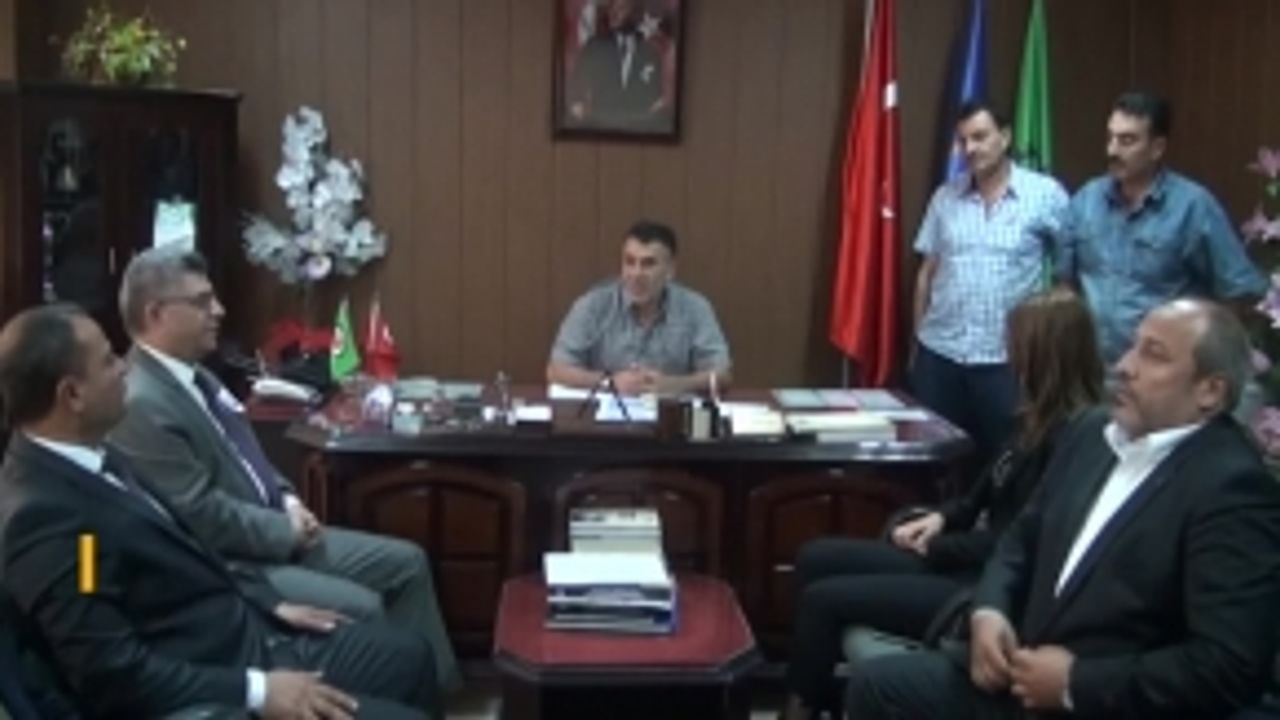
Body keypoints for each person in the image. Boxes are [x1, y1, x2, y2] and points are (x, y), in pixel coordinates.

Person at [848, 297, 1280, 720]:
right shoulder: (1092, 432)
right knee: (879, 686)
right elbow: (1021, 538)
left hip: (1107, 702)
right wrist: (990, 609)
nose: (1125, 365)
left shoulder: (1232, 487)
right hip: (1018, 672)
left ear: (1210, 391)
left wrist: (1076, 684)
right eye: (1132, 346)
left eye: (1154, 355)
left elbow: (1228, 664)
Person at [0, 304, 436, 719]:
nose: (124, 369)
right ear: (72, 394)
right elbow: (112, 672)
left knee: (412, 657)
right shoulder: (57, 522)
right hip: (216, 681)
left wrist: (267, 602)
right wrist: (258, 691)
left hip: (245, 628)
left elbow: (185, 544)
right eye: (109, 361)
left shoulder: (92, 454)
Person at [105, 247, 458, 692]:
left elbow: (250, 459)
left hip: (278, 528)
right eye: (201, 302)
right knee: (364, 606)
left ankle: (437, 695)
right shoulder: (141, 402)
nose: (219, 311)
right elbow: (200, 516)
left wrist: (288, 499)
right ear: (156, 314)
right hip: (239, 564)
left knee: (407, 563)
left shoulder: (197, 376)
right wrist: (284, 530)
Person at [779, 287, 1104, 720]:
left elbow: (1016, 543)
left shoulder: (1075, 439)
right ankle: (815, 692)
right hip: (957, 555)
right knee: (816, 557)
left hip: (977, 586)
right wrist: (939, 518)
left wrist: (937, 548)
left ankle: (798, 710)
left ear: (1046, 354)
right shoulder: (1028, 418)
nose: (1007, 355)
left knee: (823, 600)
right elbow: (975, 500)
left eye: (1016, 344)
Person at [911, 99, 1070, 472]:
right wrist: (917, 345)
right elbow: (926, 273)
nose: (970, 148)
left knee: (1005, 467)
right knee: (936, 469)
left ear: (1005, 137)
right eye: (963, 140)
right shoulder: (945, 197)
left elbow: (1067, 275)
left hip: (1007, 361)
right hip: (941, 357)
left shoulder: (1045, 195)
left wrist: (1046, 350)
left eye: (980, 137)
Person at [1056, 91, 1267, 365]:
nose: (1112, 151)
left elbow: (1238, 290)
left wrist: (1204, 360)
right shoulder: (1086, 200)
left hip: (1165, 373)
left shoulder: (1193, 206)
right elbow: (1066, 285)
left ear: (1157, 148)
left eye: (1127, 141)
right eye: (1110, 138)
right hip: (1094, 370)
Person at [547, 219, 731, 396]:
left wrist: (675, 384)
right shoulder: (593, 306)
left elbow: (722, 375)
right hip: (608, 413)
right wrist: (609, 382)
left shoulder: (695, 308)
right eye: (629, 262)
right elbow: (556, 371)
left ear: (670, 270)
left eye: (648, 264)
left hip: (669, 413)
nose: (636, 274)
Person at [565, 0, 669, 131]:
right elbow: (576, 88)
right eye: (611, 8)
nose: (613, 13)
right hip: (600, 127)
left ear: (635, 13)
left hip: (637, 129)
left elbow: (655, 97)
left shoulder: (649, 52)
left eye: (621, 8)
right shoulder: (595, 47)